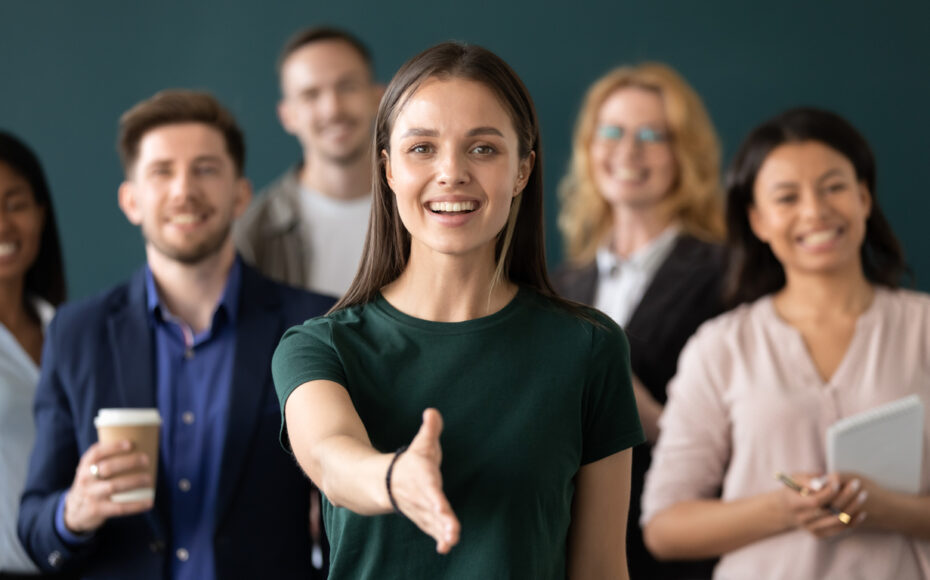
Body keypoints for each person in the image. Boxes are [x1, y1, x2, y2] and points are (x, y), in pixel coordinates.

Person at [271, 42, 645, 579]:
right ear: (389, 169)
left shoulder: (589, 347)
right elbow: (331, 457)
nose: (451, 172)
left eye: (484, 149)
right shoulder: (318, 346)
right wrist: (394, 479)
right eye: (421, 148)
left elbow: (603, 568)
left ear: (522, 171)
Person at [17, 91, 335, 580]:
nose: (184, 191)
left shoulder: (314, 324)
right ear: (131, 200)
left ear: (241, 195)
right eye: (162, 171)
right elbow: (35, 524)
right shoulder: (76, 334)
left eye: (206, 169)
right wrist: (74, 511)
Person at [641, 108, 930, 578]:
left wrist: (886, 508)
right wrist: (782, 508)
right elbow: (665, 527)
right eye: (787, 196)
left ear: (863, 197)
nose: (815, 211)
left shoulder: (924, 328)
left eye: (834, 187)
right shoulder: (720, 347)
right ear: (758, 220)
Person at [553, 62, 726, 578]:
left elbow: (750, 439)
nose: (628, 151)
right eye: (612, 132)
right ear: (589, 145)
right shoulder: (561, 284)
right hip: (566, 545)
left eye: (653, 135)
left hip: (670, 550)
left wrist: (639, 406)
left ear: (684, 153)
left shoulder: (729, 274)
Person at [235, 26, 382, 298]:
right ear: (287, 116)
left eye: (347, 87)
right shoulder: (252, 235)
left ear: (378, 97)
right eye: (311, 95)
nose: (333, 109)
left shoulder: (424, 209)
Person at [0, 132, 66, 578]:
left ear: (40, 214)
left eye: (15, 203)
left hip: (71, 564)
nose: (3, 225)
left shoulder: (68, 330)